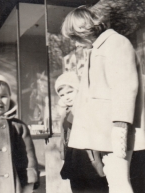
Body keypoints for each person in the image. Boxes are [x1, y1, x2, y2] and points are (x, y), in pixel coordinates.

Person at [61, 6, 145, 193]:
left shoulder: (116, 44)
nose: (76, 43)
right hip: (104, 131)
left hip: (114, 129)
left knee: (119, 183)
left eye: (75, 37)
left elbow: (125, 88)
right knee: (115, 182)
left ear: (84, 29)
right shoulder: (99, 48)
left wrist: (120, 128)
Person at [55, 71, 108, 193]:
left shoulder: (90, 108)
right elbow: (64, 137)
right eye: (62, 95)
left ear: (80, 90)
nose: (66, 97)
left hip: (91, 161)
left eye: (70, 92)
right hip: (74, 162)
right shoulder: (66, 113)